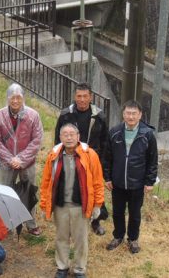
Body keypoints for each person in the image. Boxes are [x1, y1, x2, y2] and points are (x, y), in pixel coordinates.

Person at [40, 123, 104, 278]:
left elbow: (97, 181)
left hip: (80, 205)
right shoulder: (53, 155)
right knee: (61, 237)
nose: (68, 137)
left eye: (71, 134)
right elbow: (46, 182)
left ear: (78, 136)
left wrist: (97, 204)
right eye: (65, 134)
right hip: (60, 205)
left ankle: (79, 269)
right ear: (60, 137)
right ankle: (62, 266)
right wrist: (44, 204)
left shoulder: (90, 154)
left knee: (81, 240)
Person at [53, 82, 110, 235]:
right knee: (72, 190)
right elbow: (58, 139)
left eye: (85, 96)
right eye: (79, 96)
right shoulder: (66, 114)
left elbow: (105, 142)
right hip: (70, 158)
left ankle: (95, 220)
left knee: (93, 191)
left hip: (92, 161)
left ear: (90, 97)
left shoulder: (99, 116)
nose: (82, 99)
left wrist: (103, 165)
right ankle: (71, 221)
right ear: (74, 96)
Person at [104, 100, 158, 254]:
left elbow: (152, 160)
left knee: (135, 213)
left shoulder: (147, 135)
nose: (131, 116)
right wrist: (107, 177)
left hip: (137, 183)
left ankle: (133, 239)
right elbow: (107, 157)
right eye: (128, 113)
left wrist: (150, 181)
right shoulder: (115, 132)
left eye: (134, 113)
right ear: (123, 114)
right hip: (118, 182)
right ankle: (118, 236)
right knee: (117, 212)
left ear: (140, 115)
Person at [0, 83, 44, 236]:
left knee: (29, 192)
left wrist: (21, 159)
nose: (15, 101)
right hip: (5, 162)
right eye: (12, 97)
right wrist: (10, 159)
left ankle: (30, 222)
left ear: (23, 98)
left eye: (18, 97)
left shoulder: (33, 115)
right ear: (7, 98)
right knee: (4, 193)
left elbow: (37, 140)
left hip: (27, 163)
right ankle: (5, 223)